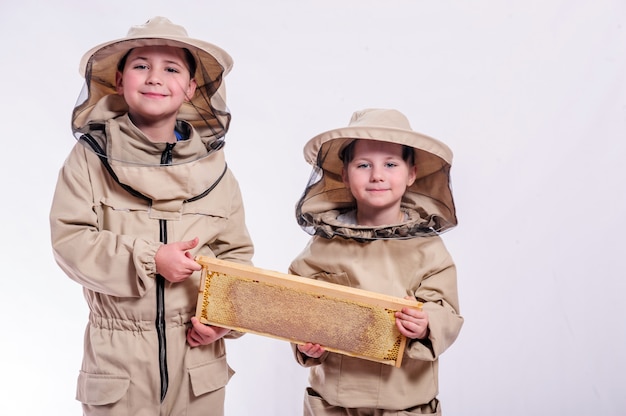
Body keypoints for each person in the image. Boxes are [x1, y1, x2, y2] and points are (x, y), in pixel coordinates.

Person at [49, 17, 254, 415]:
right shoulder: (89, 159)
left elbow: (237, 259)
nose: (155, 77)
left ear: (191, 88)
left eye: (171, 68)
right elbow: (70, 242)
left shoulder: (218, 171)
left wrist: (224, 320)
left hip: (197, 360)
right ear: (120, 78)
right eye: (141, 65)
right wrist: (151, 259)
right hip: (117, 359)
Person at [290, 108, 463, 415]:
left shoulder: (428, 247)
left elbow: (446, 311)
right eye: (364, 164)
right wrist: (305, 344)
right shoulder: (323, 244)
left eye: (391, 164)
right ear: (345, 174)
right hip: (334, 404)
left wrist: (427, 323)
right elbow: (293, 305)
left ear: (412, 174)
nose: (377, 175)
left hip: (405, 403)